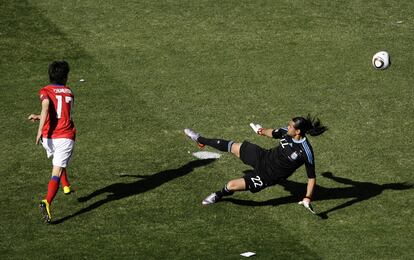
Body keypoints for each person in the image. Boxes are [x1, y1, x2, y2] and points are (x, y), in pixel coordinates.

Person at [184, 115, 327, 212]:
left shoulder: (306, 151)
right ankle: (200, 139)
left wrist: (307, 197)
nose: (287, 127)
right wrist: (261, 131)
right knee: (232, 146)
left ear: (298, 131)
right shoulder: (287, 132)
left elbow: (311, 177)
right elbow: (273, 132)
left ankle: (218, 195)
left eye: (290, 126)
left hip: (267, 176)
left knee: (231, 185)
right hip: (263, 156)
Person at [28, 61, 76, 223]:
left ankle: (66, 185)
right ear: (65, 77)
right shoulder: (69, 92)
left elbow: (47, 108)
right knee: (57, 169)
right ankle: (47, 201)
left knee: (58, 162)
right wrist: (39, 127)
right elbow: (53, 110)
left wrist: (40, 125)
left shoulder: (45, 90)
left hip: (48, 138)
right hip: (64, 137)